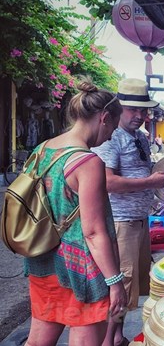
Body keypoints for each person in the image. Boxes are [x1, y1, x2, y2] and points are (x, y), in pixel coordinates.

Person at [24, 80, 127, 346]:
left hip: (43, 260)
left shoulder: (42, 150)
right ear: (104, 118)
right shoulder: (87, 162)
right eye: (113, 129)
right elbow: (93, 232)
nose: (110, 136)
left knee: (37, 340)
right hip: (80, 269)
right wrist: (115, 282)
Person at [92, 78, 164, 346]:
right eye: (132, 110)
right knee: (120, 286)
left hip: (139, 220)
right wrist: (150, 183)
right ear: (117, 110)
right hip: (121, 223)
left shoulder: (142, 138)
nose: (139, 116)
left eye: (143, 110)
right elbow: (108, 182)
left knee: (131, 286)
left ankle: (117, 337)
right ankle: (107, 341)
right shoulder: (111, 139)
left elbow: (150, 178)